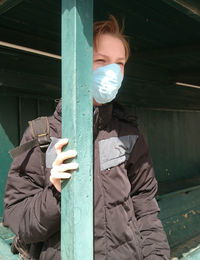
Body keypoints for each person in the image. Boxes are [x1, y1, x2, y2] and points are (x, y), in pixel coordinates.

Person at [3, 15, 170, 260]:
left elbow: (145, 204)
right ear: (77, 63)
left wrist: (157, 256)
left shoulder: (129, 133)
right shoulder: (42, 135)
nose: (112, 71)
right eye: (100, 60)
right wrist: (56, 193)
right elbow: (19, 220)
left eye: (119, 63)